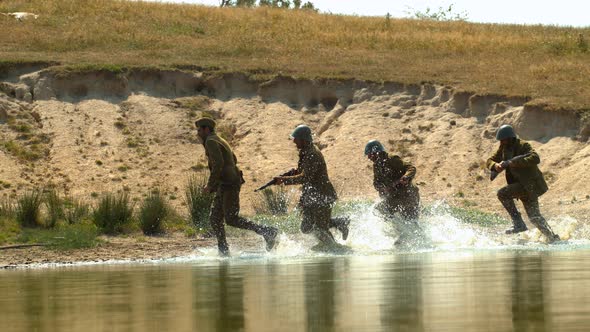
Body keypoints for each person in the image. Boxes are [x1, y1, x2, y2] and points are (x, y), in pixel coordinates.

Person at [196, 117, 279, 256]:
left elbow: (218, 164)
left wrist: (210, 185)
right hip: (225, 183)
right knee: (215, 218)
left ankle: (267, 231)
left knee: (231, 219)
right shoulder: (219, 139)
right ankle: (223, 250)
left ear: (206, 129)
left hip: (229, 184)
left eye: (199, 130)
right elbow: (233, 159)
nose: (197, 133)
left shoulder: (210, 141)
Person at [274, 124, 349, 249]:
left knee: (321, 229)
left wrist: (284, 180)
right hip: (312, 196)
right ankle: (339, 223)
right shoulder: (305, 151)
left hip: (322, 195)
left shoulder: (312, 154)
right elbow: (301, 171)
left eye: (296, 139)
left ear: (303, 140)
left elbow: (305, 177)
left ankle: (334, 248)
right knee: (306, 227)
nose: (294, 141)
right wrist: (286, 175)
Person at [486, 124, 559, 243]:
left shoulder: (523, 145)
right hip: (521, 186)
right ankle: (552, 238)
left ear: (511, 138)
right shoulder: (503, 149)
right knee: (534, 217)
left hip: (530, 185)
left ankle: (519, 223)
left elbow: (535, 158)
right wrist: (496, 165)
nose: (502, 142)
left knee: (503, 194)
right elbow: (489, 161)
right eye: (501, 140)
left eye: (504, 140)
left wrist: (513, 163)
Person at [364, 140, 421, 244]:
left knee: (411, 222)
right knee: (379, 209)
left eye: (370, 155)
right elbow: (376, 183)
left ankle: (419, 240)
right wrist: (383, 188)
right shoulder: (376, 165)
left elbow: (411, 168)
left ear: (377, 152)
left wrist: (405, 178)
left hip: (408, 195)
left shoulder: (391, 159)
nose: (369, 158)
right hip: (395, 197)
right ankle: (401, 235)